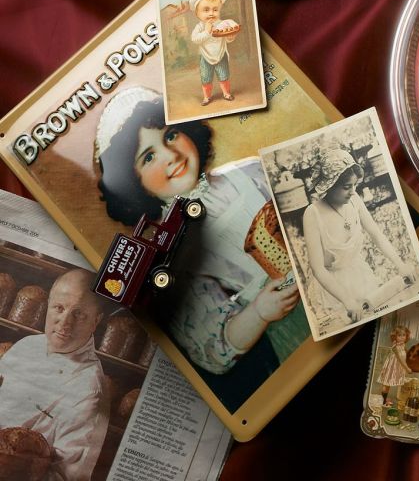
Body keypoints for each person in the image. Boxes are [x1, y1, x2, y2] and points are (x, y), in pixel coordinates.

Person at [94, 86, 304, 411]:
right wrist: (260, 311)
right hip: (289, 320)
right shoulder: (173, 248)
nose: (172, 156)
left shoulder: (244, 173)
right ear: (133, 185)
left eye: (170, 136)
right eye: (148, 157)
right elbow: (212, 344)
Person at [0, 269, 109, 481]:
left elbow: (65, 476)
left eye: (78, 314)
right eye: (59, 308)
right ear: (48, 305)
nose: (65, 322)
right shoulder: (27, 345)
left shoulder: (90, 390)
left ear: (95, 321)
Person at [301, 148, 409, 326]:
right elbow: (318, 269)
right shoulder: (313, 214)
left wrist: (401, 265)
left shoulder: (354, 200)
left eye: (354, 186)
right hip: (332, 290)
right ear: (330, 185)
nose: (352, 191)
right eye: (346, 187)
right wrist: (347, 300)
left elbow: (376, 234)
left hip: (361, 277)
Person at [189, 0, 237, 105]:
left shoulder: (222, 24)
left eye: (215, 10)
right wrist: (207, 31)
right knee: (206, 78)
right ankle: (207, 97)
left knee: (224, 75)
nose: (211, 13)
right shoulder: (199, 27)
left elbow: (227, 36)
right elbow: (195, 39)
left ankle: (226, 93)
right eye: (206, 10)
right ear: (197, 14)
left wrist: (230, 37)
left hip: (221, 55)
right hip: (205, 57)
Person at [377, 324, 411, 409]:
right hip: (392, 367)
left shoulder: (402, 344)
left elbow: (406, 352)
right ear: (395, 336)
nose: (402, 337)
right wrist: (406, 368)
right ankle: (383, 401)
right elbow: (399, 359)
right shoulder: (395, 346)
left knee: (388, 384)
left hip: (397, 367)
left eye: (404, 335)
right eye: (399, 335)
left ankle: (384, 400)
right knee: (386, 383)